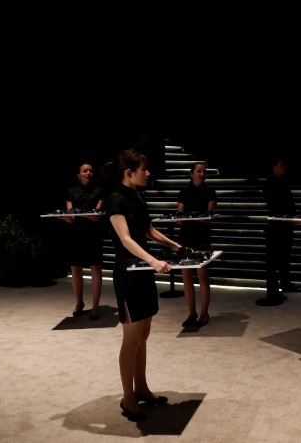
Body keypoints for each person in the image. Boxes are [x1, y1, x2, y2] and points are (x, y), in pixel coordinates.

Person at [104, 149, 182, 422]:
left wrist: (171, 244)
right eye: (144, 169)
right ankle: (128, 399)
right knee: (131, 338)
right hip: (128, 273)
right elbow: (125, 239)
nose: (148, 173)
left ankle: (142, 389)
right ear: (129, 172)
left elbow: (147, 230)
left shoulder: (138, 195)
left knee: (143, 335)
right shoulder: (114, 199)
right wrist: (153, 260)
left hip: (143, 270)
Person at [61, 161, 105, 320]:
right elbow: (71, 215)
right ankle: (79, 302)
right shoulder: (70, 191)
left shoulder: (100, 190)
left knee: (96, 268)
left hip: (93, 233)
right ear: (78, 175)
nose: (88, 173)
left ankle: (95, 305)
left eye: (91, 171)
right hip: (75, 234)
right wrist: (66, 218)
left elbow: (97, 214)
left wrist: (87, 215)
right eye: (85, 171)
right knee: (75, 269)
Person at [257, 156, 301, 306]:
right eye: (281, 165)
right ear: (273, 166)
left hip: (284, 225)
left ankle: (283, 285)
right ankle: (274, 292)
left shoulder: (282, 182)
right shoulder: (270, 184)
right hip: (276, 226)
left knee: (283, 257)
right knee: (272, 261)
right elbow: (275, 206)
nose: (284, 168)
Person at [177, 161, 217, 327]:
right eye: (199, 171)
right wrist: (193, 218)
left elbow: (209, 219)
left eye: (204, 171)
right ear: (191, 173)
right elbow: (179, 220)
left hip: (202, 237)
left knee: (202, 275)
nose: (202, 174)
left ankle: (204, 313)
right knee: (186, 275)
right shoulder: (184, 192)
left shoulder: (210, 192)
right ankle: (191, 313)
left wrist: (191, 218)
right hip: (185, 236)